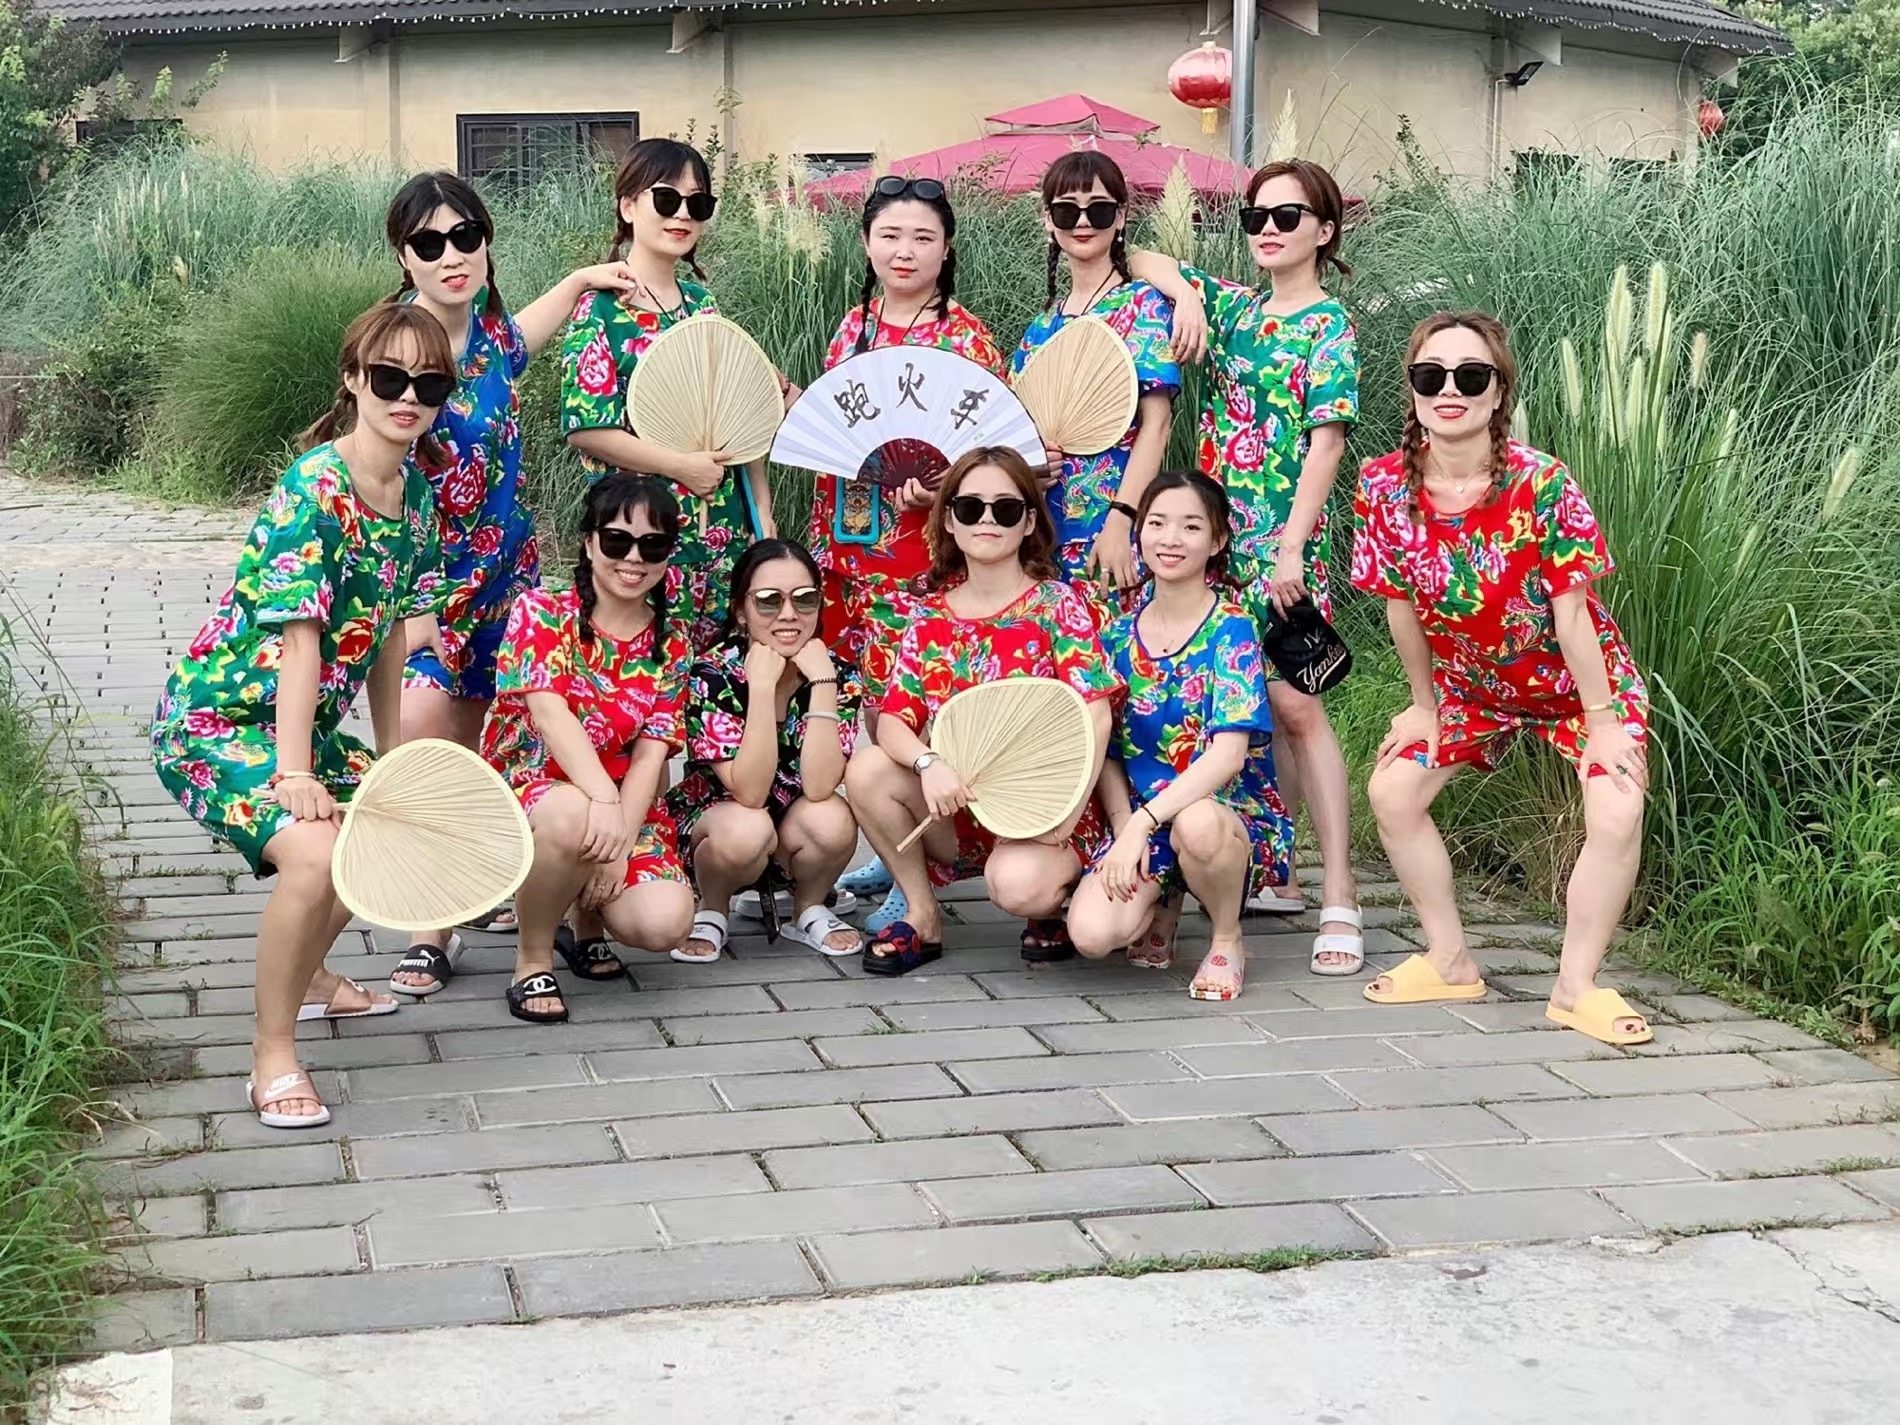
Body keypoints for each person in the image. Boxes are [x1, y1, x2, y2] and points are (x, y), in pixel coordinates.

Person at [150, 304, 453, 1128]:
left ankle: (311, 975)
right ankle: (271, 1053)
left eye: (429, 384)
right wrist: (294, 773)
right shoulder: (312, 490)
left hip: (301, 726)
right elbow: (300, 642)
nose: (408, 397)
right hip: (217, 721)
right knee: (317, 854)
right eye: (389, 377)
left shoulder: (416, 497)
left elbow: (390, 635)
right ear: (353, 379)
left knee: (384, 825)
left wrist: (392, 759)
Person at [1352, 311, 1652, 1046]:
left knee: (1617, 810)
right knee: (1393, 790)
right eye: (1431, 376)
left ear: (1498, 393)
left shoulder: (1542, 482)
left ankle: (1576, 986)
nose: (1449, 391)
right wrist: (1424, 706)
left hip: (1575, 690)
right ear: (1413, 390)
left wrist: (1603, 722)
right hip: (1471, 687)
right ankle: (1449, 960)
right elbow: (1400, 607)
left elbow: (1573, 615)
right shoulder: (1383, 485)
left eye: (1471, 375)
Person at [379, 171, 643, 994]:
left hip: (510, 586)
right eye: (429, 243)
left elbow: (527, 331)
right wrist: (406, 605)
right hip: (429, 595)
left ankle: (531, 895)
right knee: (431, 749)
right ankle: (430, 928)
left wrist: (583, 279)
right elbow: (372, 474)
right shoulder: (398, 349)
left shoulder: (492, 335)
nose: (451, 256)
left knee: (520, 745)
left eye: (466, 236)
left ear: (487, 242)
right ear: (404, 257)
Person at [1131, 158, 1365, 974]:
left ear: (1324, 231)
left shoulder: (1329, 326)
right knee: (1233, 706)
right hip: (1212, 540)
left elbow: (1327, 442)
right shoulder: (1234, 308)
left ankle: (1339, 893)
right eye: (1256, 217)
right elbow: (1140, 257)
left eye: (1287, 216)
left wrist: (1294, 545)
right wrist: (1189, 295)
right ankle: (1275, 870)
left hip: (1283, 542)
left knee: (1297, 707)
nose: (1268, 229)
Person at [807, 175, 1006, 929]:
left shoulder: (966, 338)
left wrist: (942, 489)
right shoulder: (850, 329)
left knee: (918, 700)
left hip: (925, 554)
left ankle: (921, 864)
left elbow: (990, 454)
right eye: (890, 235)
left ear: (946, 249)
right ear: (866, 243)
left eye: (924, 237)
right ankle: (891, 840)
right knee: (869, 695)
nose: (905, 251)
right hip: (851, 543)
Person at [843, 447, 1119, 975]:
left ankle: (1052, 902)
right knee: (868, 769)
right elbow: (895, 719)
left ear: (1029, 521)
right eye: (970, 508)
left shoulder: (1058, 605)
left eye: (1005, 509)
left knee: (1018, 886)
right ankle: (922, 915)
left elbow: (1096, 713)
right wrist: (928, 763)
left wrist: (1062, 816)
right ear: (949, 519)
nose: (987, 520)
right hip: (959, 802)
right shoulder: (929, 618)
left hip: (1046, 807)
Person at [1067, 470, 1294, 1000]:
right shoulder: (1116, 634)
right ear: (1139, 531)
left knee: (1197, 824)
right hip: (1141, 817)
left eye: (1190, 527)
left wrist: (1143, 823)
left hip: (1223, 813)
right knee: (1092, 935)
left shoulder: (1232, 628)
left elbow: (1228, 757)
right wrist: (1126, 829)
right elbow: (1107, 752)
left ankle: (1226, 937)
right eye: (1157, 523)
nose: (1170, 539)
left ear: (1216, 541)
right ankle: (1165, 899)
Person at [483, 473, 696, 1023]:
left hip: (621, 801)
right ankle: (533, 956)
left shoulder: (672, 642)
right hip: (534, 785)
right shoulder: (542, 610)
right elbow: (549, 714)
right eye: (617, 540)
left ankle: (585, 915)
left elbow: (651, 753)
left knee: (664, 923)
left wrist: (619, 842)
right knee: (573, 815)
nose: (634, 558)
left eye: (652, 545)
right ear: (589, 541)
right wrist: (602, 802)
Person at [559, 137, 777, 654]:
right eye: (666, 199)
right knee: (646, 666)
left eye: (697, 203)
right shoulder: (600, 309)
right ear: (628, 206)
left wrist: (762, 513)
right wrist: (682, 466)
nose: (682, 214)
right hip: (640, 537)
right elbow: (588, 428)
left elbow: (736, 412)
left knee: (719, 670)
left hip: (724, 530)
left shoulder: (703, 304)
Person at [664, 539, 864, 962]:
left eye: (804, 598)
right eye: (769, 600)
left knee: (833, 818)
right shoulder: (711, 673)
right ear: (741, 609)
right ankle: (712, 909)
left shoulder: (836, 673)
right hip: (720, 829)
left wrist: (823, 684)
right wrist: (760, 687)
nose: (789, 614)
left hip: (794, 822)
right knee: (747, 827)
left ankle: (808, 908)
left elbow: (820, 785)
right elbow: (750, 793)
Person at [1010, 152, 1179, 612]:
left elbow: (1157, 423)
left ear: (1120, 217)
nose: (1083, 222)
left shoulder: (1141, 305)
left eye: (1099, 209)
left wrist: (1121, 521)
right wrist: (1031, 466)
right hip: (1041, 528)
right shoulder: (1040, 329)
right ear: (1049, 220)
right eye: (1067, 210)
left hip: (1113, 522)